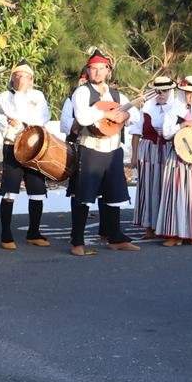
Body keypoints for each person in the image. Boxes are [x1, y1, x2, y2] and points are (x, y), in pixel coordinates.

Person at [68, 49, 141, 257]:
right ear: (88, 71)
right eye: (93, 69)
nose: (98, 73)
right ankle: (77, 242)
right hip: (90, 148)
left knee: (113, 194)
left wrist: (124, 114)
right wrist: (105, 113)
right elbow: (82, 117)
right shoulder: (81, 92)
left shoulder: (118, 95)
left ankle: (115, 237)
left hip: (113, 149)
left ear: (108, 71)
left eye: (102, 69)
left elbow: (137, 118)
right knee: (83, 196)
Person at [0, 62, 53, 248]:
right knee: (10, 190)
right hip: (13, 146)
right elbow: (11, 114)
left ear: (32, 79)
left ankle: (34, 232)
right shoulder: (5, 96)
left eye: (25, 76)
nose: (20, 79)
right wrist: (23, 115)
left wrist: (24, 122)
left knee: (37, 191)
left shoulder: (38, 95)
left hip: (35, 146)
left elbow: (43, 117)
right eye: (17, 76)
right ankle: (6, 234)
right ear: (12, 79)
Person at [153, 76, 192, 245]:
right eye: (188, 93)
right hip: (177, 157)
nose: (191, 96)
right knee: (176, 195)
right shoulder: (173, 112)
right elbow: (166, 134)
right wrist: (183, 126)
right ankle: (174, 234)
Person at [136, 76, 175, 238]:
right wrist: (134, 156)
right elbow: (136, 132)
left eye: (165, 91)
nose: (161, 94)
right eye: (158, 91)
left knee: (166, 187)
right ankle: (149, 226)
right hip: (149, 150)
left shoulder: (176, 108)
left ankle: (167, 226)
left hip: (169, 150)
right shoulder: (146, 109)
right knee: (149, 186)